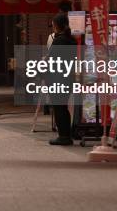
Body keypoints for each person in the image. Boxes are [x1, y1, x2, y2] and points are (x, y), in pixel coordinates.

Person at [48, 13, 77, 146]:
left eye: (53, 24)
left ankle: (64, 136)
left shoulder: (59, 40)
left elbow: (52, 59)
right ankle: (66, 135)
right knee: (63, 107)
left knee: (59, 108)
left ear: (57, 25)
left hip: (58, 78)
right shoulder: (71, 40)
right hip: (68, 77)